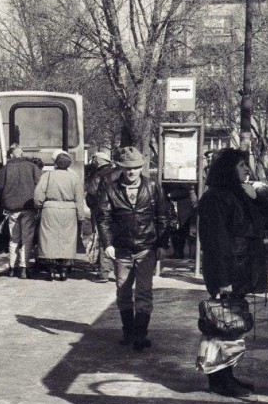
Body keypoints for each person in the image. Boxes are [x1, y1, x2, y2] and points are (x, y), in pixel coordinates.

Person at [196, 148, 268, 397]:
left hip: (241, 271)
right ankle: (219, 380)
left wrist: (259, 197)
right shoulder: (215, 198)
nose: (247, 170)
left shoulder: (240, 194)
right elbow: (215, 242)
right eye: (241, 165)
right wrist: (222, 280)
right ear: (228, 168)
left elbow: (263, 223)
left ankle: (227, 375)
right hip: (227, 274)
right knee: (221, 325)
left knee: (231, 326)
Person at [97, 146, 170, 350]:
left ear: (142, 167)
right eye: (128, 168)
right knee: (123, 291)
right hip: (122, 249)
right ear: (121, 168)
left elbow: (162, 216)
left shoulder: (153, 186)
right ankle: (128, 331)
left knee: (144, 292)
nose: (132, 172)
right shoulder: (110, 188)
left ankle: (140, 334)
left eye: (136, 167)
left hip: (147, 248)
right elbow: (103, 218)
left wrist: (162, 245)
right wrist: (107, 243)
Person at [34, 150, 86, 281]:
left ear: (55, 163)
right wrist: (80, 216)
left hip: (50, 209)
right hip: (69, 210)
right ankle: (63, 270)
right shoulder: (74, 178)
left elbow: (38, 194)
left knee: (49, 238)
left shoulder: (48, 175)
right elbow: (79, 198)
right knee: (67, 239)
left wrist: (39, 206)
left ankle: (50, 269)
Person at [0, 143, 42, 279]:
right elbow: (40, 186)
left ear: (11, 155)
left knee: (14, 239)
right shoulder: (33, 167)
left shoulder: (5, 169)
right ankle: (24, 268)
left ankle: (12, 268)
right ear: (21, 153)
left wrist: (1, 204)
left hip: (12, 209)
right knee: (27, 238)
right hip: (29, 208)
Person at [85, 152, 117, 282]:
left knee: (102, 238)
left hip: (100, 209)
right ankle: (114, 268)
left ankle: (103, 271)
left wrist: (92, 205)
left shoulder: (98, 174)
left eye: (94, 159)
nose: (93, 161)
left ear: (99, 160)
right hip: (116, 210)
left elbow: (92, 192)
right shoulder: (116, 172)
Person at [166, 184, 198, 259]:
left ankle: (179, 253)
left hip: (182, 207)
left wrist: (171, 194)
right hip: (177, 207)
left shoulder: (185, 181)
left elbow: (186, 190)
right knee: (174, 230)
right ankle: (177, 252)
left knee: (180, 231)